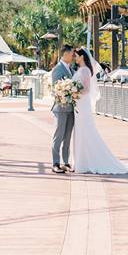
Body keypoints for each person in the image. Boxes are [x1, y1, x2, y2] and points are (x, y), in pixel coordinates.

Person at [70, 47, 128, 175]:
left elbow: (87, 90)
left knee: (84, 131)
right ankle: (80, 161)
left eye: (76, 55)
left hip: (82, 104)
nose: (75, 57)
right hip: (79, 104)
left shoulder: (84, 71)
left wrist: (73, 92)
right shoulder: (81, 69)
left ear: (82, 57)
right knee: (80, 132)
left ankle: (84, 162)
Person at [50, 45, 75, 173]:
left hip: (71, 108)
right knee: (58, 136)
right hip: (60, 108)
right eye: (72, 54)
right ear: (65, 54)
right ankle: (55, 163)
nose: (73, 56)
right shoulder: (57, 69)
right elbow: (56, 88)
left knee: (68, 136)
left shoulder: (71, 69)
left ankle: (65, 162)